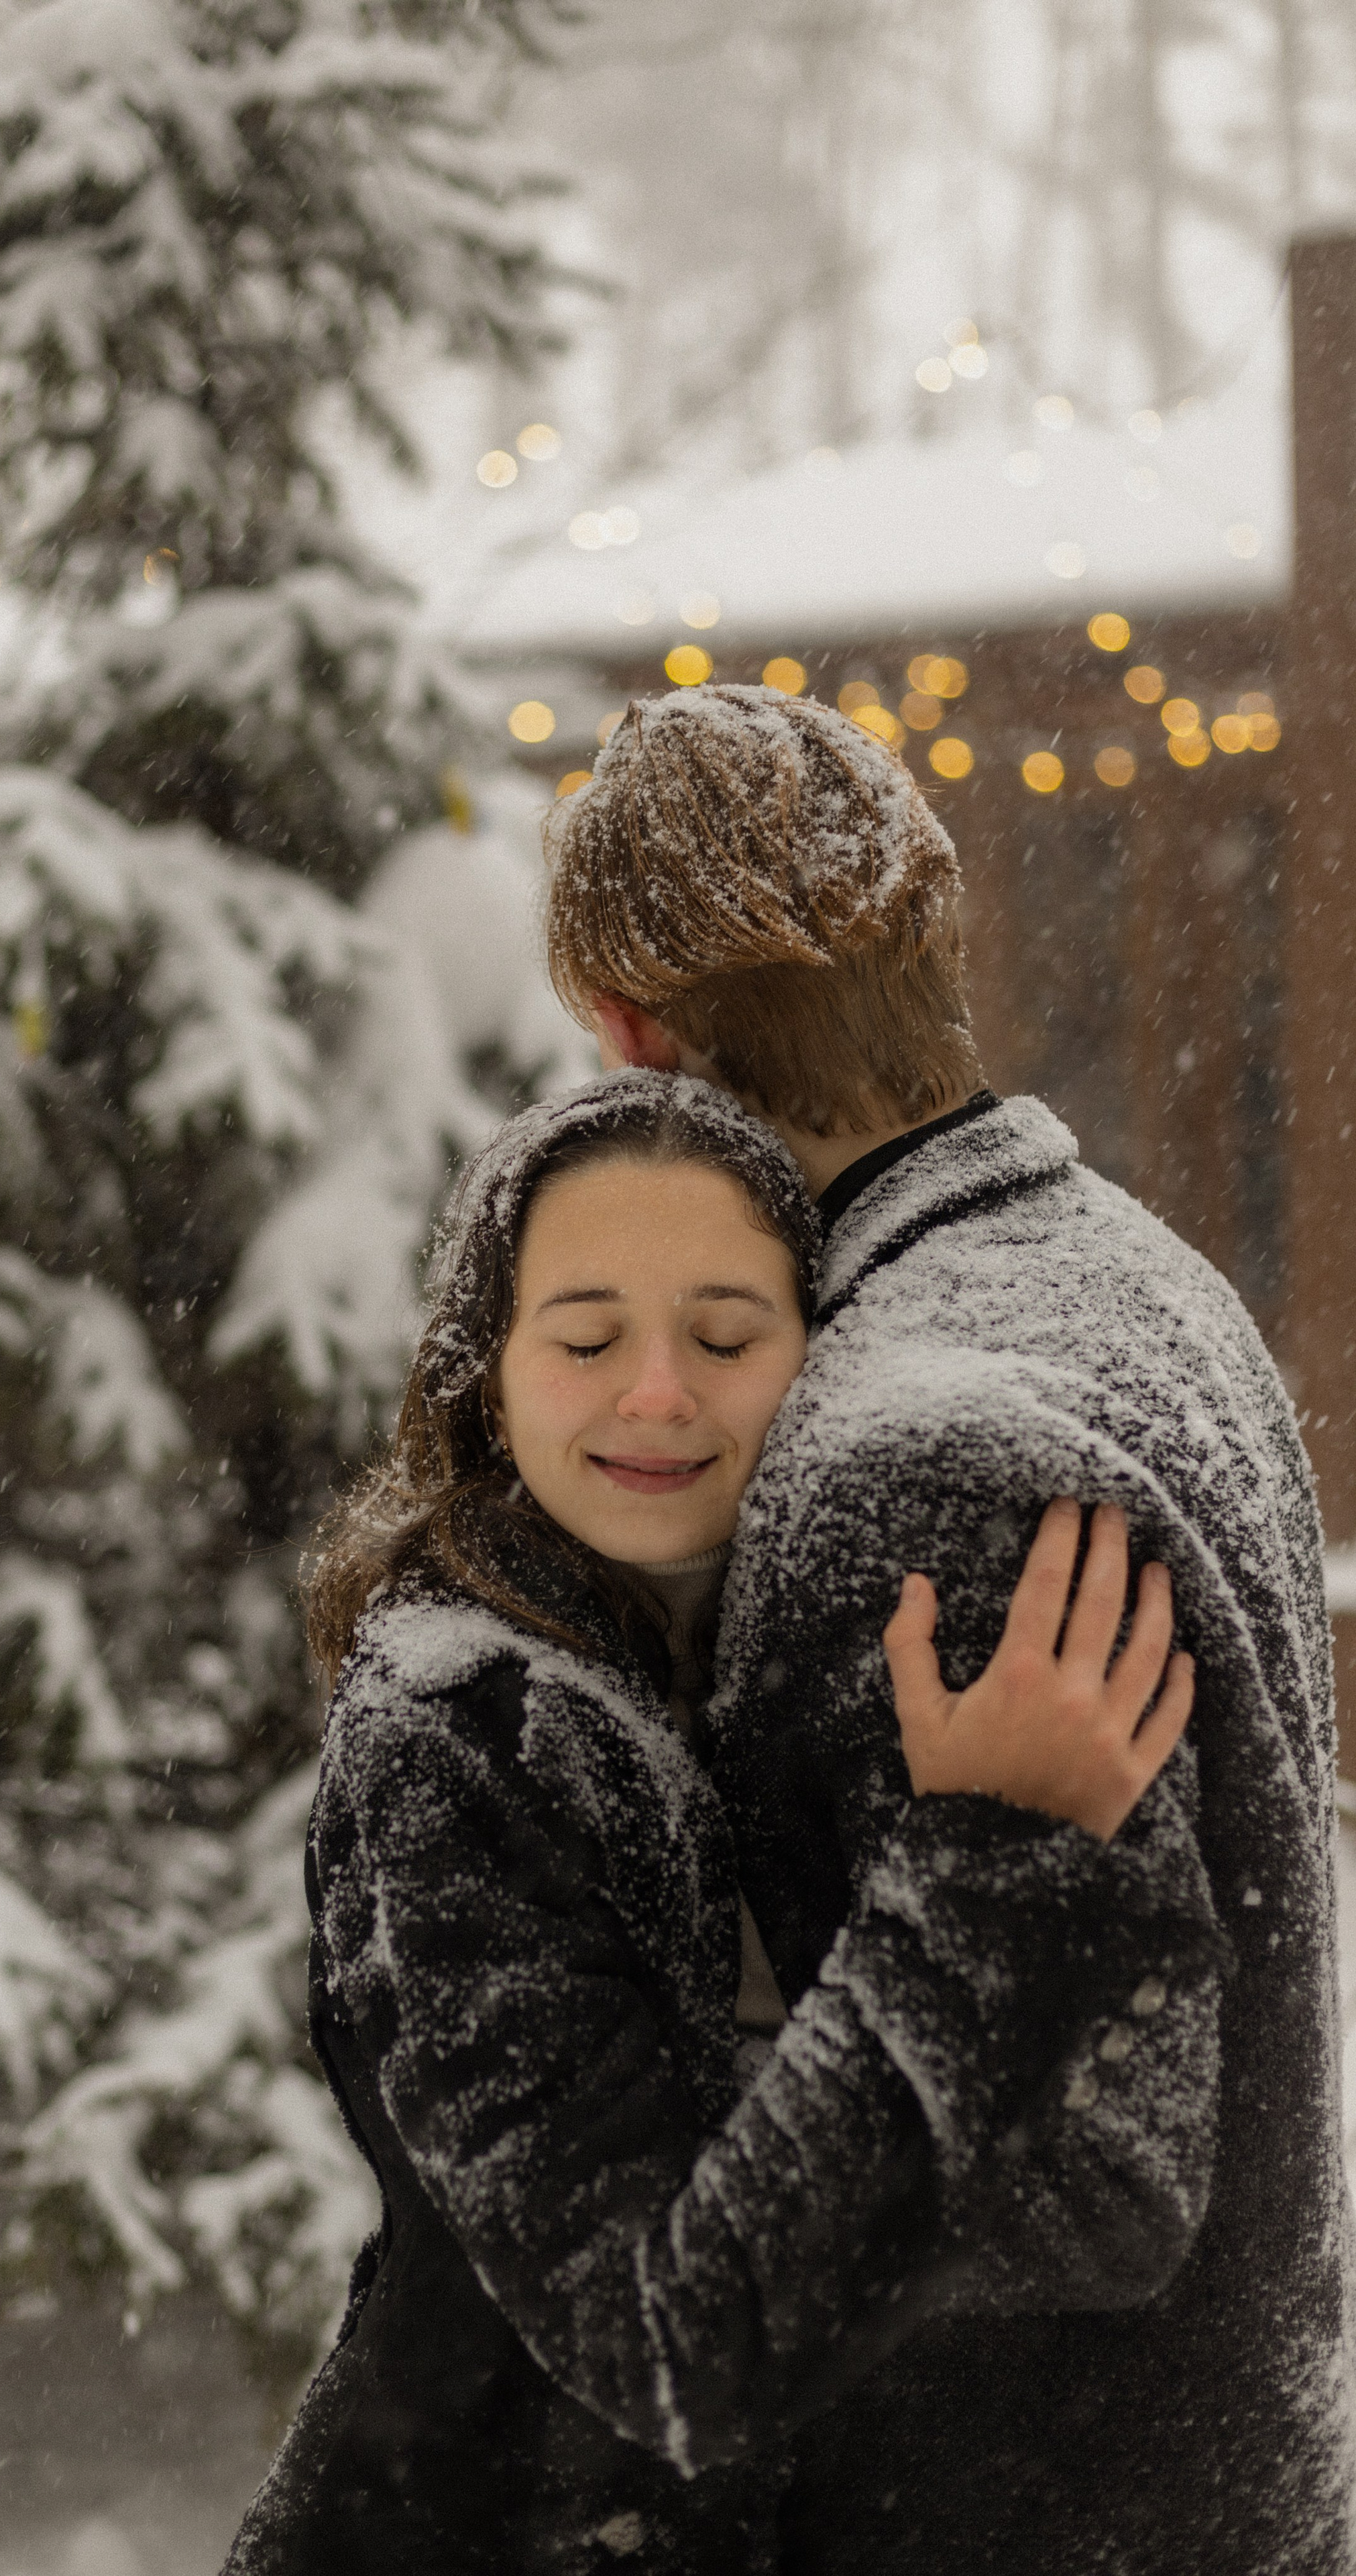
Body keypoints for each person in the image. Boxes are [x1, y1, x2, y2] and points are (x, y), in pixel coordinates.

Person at [543, 683, 1354, 2574]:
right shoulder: (1130, 1274)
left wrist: (632, 2133)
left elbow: (1093, 2175)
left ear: (635, 1037)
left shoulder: (920, 1450)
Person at [224, 1071, 1209, 2576]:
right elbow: (667, 2339)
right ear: (482, 1372)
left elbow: (1100, 2213)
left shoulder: (806, 1668)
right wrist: (989, 1858)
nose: (659, 1393)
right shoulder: (456, 1732)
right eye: (585, 1337)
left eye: (727, 1334)